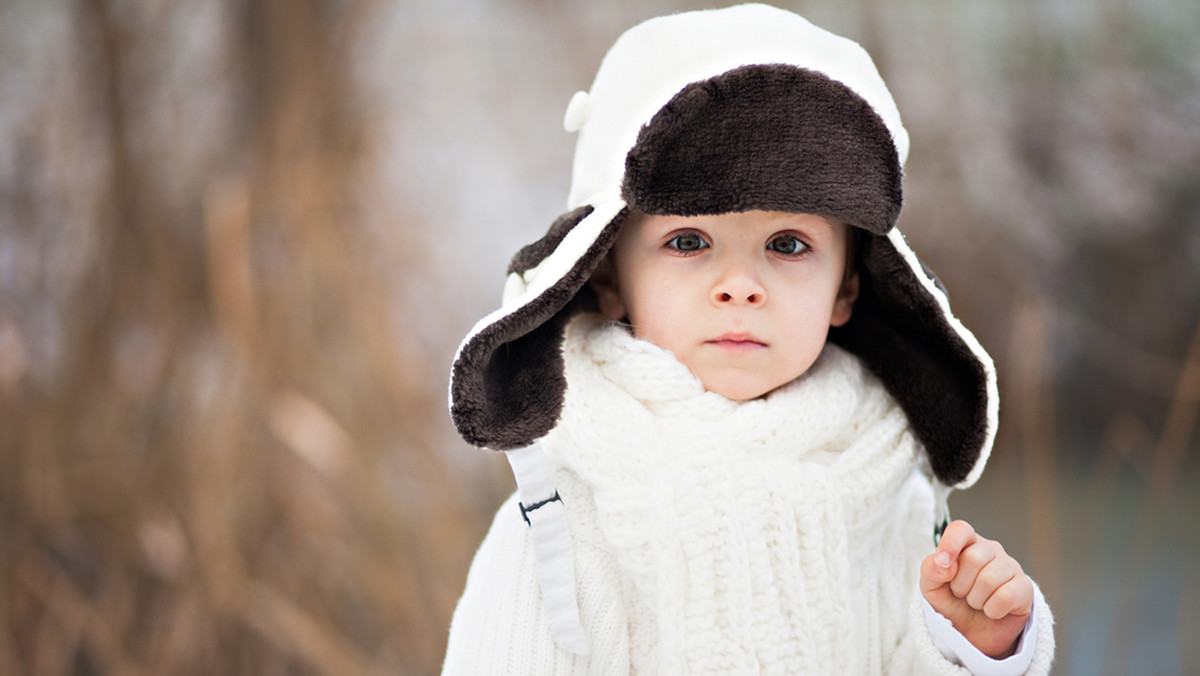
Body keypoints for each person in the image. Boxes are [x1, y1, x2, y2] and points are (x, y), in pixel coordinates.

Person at [442, 5, 1055, 674]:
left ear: (847, 287)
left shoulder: (893, 499)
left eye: (787, 245)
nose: (739, 285)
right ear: (608, 276)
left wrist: (973, 647)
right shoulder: (564, 516)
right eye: (688, 242)